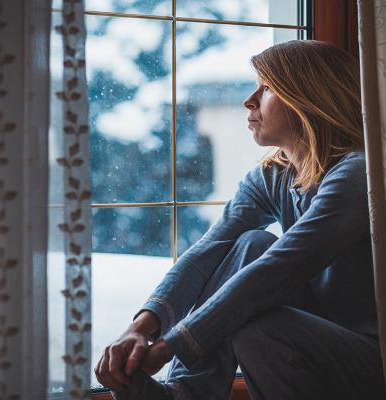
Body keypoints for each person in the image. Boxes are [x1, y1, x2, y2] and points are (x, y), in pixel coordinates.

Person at [94, 40, 386, 400]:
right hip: (311, 336)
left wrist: (169, 347)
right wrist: (140, 328)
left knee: (259, 325)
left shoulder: (358, 174)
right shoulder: (274, 175)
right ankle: (186, 392)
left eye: (266, 88)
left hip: (368, 358)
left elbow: (280, 269)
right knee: (250, 243)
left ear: (307, 97)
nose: (249, 101)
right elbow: (208, 251)